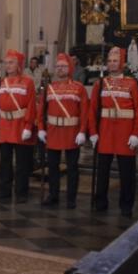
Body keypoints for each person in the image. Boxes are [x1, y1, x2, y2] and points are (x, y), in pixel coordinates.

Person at [89, 47, 138, 218]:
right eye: (110, 61)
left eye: (115, 61)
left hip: (125, 133)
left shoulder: (131, 83)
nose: (112, 64)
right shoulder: (100, 84)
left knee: (127, 173)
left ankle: (126, 205)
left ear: (122, 63)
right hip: (105, 131)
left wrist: (136, 133)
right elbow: (93, 110)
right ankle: (100, 202)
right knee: (102, 171)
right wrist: (93, 132)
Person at [37, 54, 88, 209]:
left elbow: (84, 112)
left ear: (70, 68)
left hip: (72, 131)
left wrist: (82, 131)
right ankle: (53, 195)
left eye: (63, 66)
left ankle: (71, 198)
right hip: (53, 131)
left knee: (72, 168)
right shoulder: (49, 87)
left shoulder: (79, 88)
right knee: (53, 166)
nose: (60, 69)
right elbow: (41, 111)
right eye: (58, 66)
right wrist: (41, 129)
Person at [0, 49, 37, 203]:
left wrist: (28, 126)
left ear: (19, 65)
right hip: (4, 125)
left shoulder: (28, 82)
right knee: (5, 161)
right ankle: (4, 190)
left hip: (20, 125)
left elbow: (31, 105)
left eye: (11, 63)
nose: (8, 65)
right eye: (6, 63)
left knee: (22, 162)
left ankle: (21, 192)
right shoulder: (1, 83)